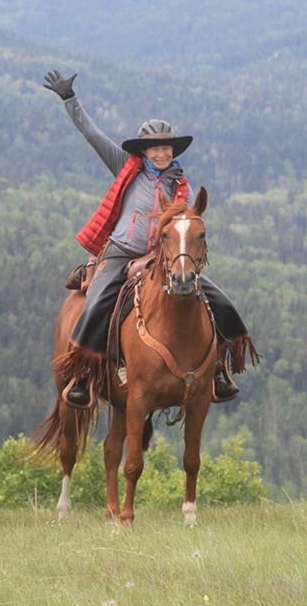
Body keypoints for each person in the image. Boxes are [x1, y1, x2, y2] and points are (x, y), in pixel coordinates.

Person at [43, 70, 258, 407]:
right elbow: (93, 135)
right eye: (155, 149)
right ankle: (83, 375)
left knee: (216, 301)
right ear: (144, 151)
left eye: (166, 148)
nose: (161, 154)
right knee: (97, 302)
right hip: (120, 252)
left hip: (161, 258)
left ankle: (218, 369)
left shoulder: (179, 185)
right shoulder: (126, 167)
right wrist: (70, 100)